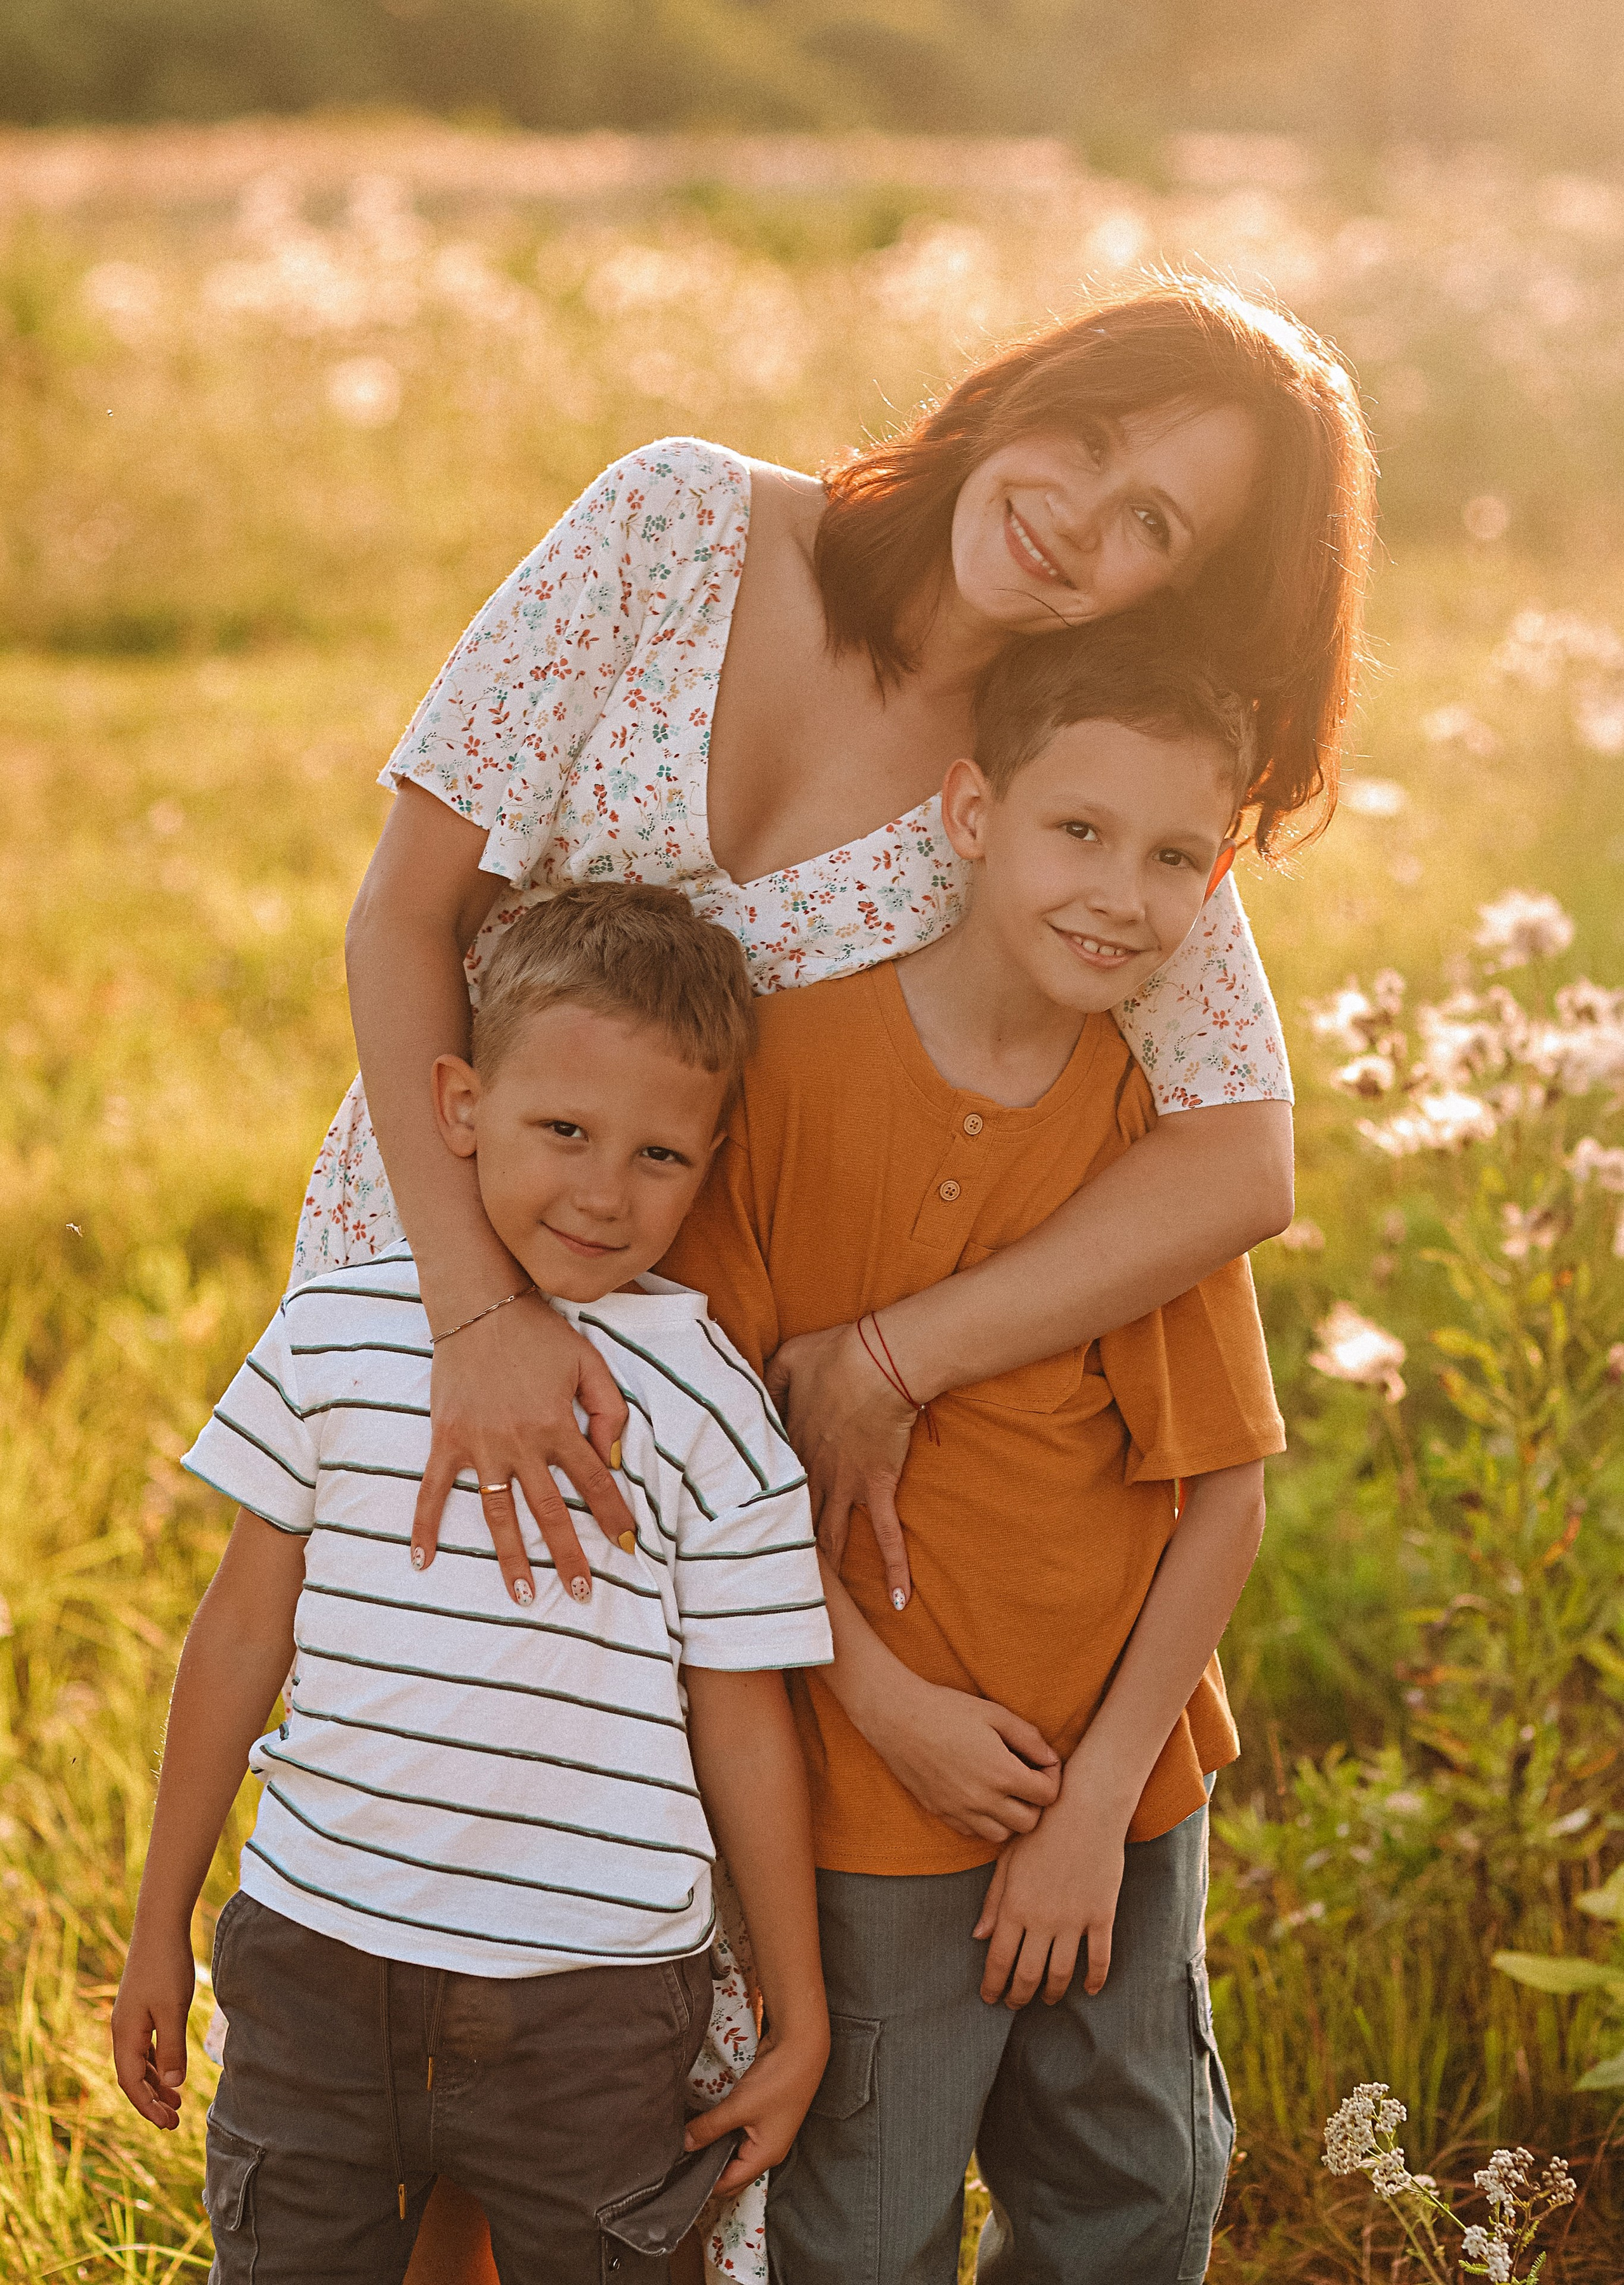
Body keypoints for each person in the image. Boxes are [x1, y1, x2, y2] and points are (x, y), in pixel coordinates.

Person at [311, 275, 1375, 2279]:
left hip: (707, 1431)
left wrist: (890, 1354)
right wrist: (473, 1317)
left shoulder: (1043, 777)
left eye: (1158, 523)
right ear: (1026, 386)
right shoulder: (677, 521)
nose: (1081, 514)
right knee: (417, 1918)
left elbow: (1242, 1155)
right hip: (437, 1286)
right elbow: (403, 918)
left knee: (598, 2002)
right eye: (1094, 439)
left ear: (1181, 593)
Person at [660, 607, 1287, 2283]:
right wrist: (881, 1702)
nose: (1119, 892)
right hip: (868, 1792)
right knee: (863, 2224)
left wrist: (1096, 1801)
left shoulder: (1145, 1139)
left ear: (1215, 878)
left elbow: (1223, 1492)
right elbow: (711, 1471)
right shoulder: (787, 1073)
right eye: (1078, 828)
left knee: (1130, 2192)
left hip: (1117, 1794)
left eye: (1172, 856)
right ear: (969, 814)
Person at [109, 887, 833, 2285]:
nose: (604, 1191)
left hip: (593, 2004)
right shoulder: (336, 1332)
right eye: (562, 1129)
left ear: (711, 1160)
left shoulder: (707, 1399)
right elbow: (241, 1634)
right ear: (458, 1104)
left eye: (659, 1153)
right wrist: (159, 1925)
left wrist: (797, 2013)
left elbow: (745, 1722)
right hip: (319, 1964)